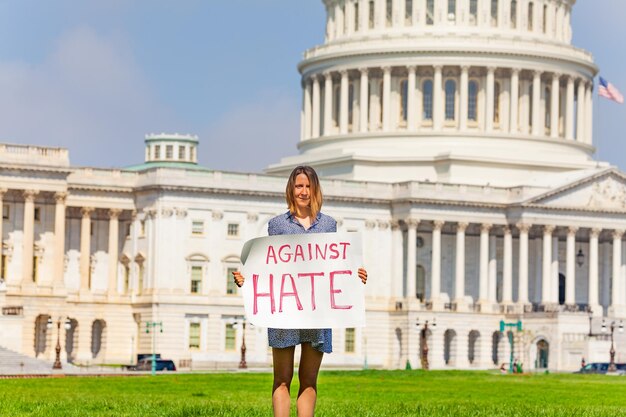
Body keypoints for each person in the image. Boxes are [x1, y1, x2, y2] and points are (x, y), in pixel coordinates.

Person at [232, 165, 368, 417]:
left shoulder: (328, 224)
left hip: (318, 312)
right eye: (299, 186)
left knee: (309, 380)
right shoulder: (277, 225)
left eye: (308, 186)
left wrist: (355, 275)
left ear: (315, 189)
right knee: (282, 379)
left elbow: (334, 264)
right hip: (286, 312)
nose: (303, 192)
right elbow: (268, 264)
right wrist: (246, 279)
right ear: (291, 189)